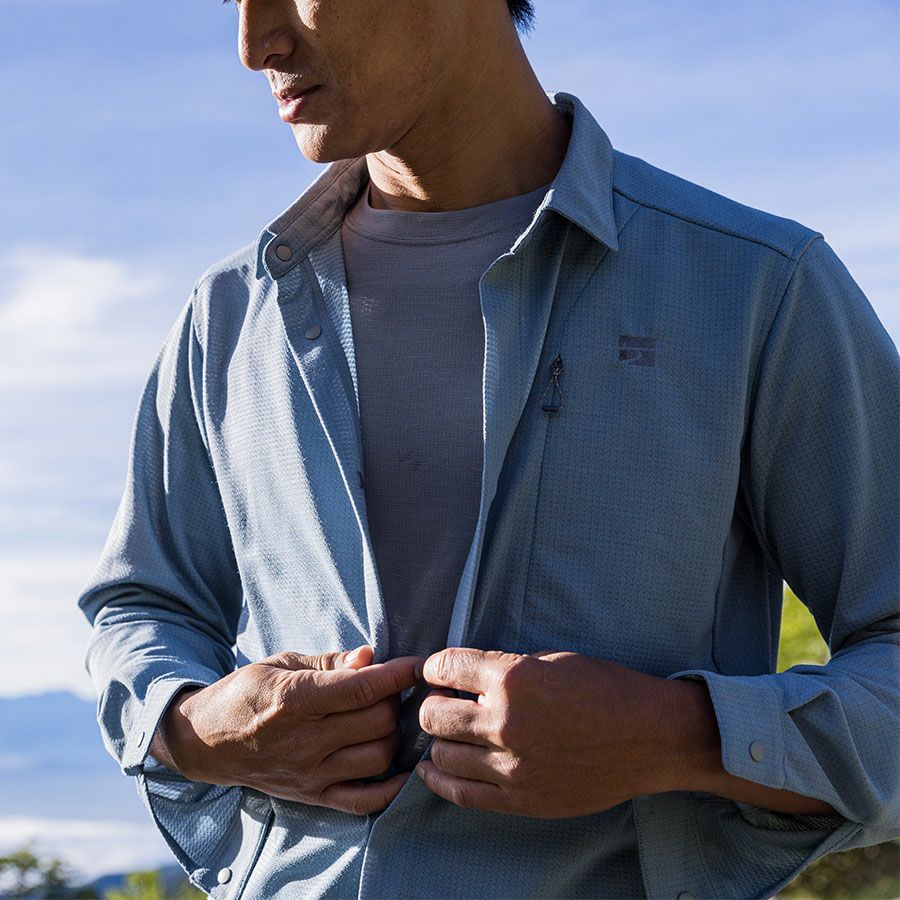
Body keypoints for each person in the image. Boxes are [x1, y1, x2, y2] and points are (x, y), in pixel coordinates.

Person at [76, 1, 899, 897]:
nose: (253, 45)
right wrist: (195, 727)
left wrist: (679, 736)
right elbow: (140, 608)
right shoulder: (229, 317)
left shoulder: (758, 288)